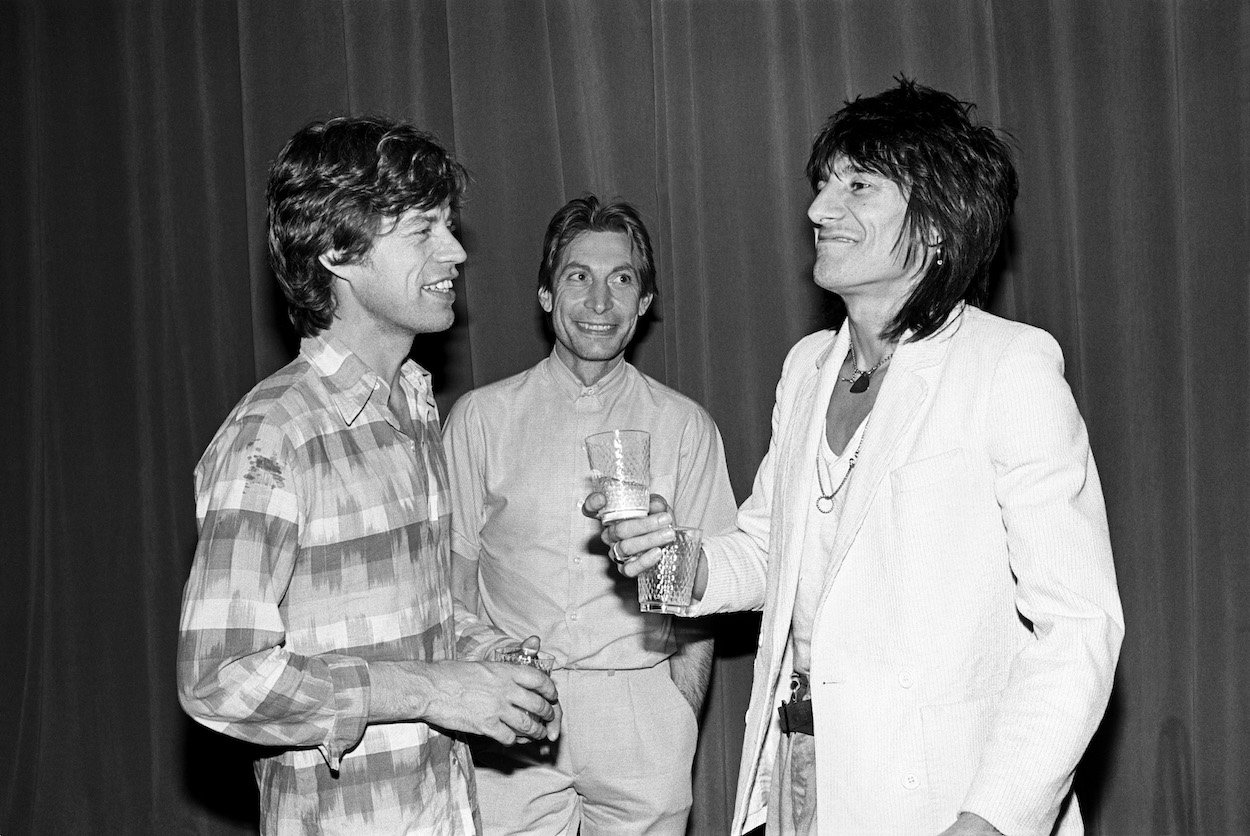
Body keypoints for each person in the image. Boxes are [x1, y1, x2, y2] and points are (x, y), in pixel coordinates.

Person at [594, 79, 1124, 835]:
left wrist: (992, 820)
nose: (818, 209)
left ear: (938, 224)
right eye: (822, 184)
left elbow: (1079, 627)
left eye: (858, 185)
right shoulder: (808, 368)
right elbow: (770, 549)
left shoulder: (1008, 366)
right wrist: (667, 560)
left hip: (946, 799)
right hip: (803, 782)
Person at [177, 116, 560, 835]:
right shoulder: (273, 434)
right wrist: (434, 691)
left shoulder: (413, 408)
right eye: (422, 230)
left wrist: (486, 659)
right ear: (336, 252)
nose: (455, 252)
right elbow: (218, 679)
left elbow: (415, 625)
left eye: (449, 225)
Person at [442, 194, 738, 834]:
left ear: (646, 301)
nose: (600, 303)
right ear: (546, 295)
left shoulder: (684, 427)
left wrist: (676, 707)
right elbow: (455, 576)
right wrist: (481, 691)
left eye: (622, 280)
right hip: (514, 706)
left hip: (639, 706)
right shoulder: (481, 419)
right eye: (579, 277)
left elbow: (707, 584)